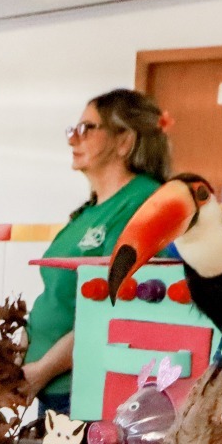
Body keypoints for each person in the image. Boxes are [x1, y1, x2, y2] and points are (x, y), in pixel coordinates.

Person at [22, 89, 171, 417]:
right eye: (73, 129)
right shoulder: (89, 212)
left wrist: (42, 370)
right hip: (52, 385)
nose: (73, 139)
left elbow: (110, 310)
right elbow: (57, 296)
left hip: (88, 389)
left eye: (87, 129)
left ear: (124, 141)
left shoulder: (142, 203)